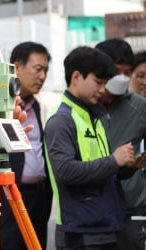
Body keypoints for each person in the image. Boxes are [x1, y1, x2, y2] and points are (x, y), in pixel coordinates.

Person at [44, 46, 137, 250]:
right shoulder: (61, 121)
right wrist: (114, 160)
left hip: (103, 225)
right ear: (76, 77)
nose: (103, 89)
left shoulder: (93, 116)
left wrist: (128, 165)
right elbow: (65, 172)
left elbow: (102, 171)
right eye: (98, 82)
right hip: (80, 231)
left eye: (105, 83)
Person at [0, 41, 52, 250]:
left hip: (38, 197)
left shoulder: (35, 105)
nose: (42, 76)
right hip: (7, 197)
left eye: (46, 70)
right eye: (38, 69)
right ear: (16, 67)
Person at [96, 38, 146, 250]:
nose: (122, 78)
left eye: (128, 72)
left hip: (130, 208)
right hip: (92, 209)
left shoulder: (139, 107)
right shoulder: (84, 106)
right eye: (117, 71)